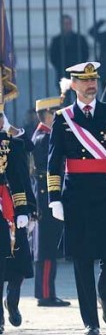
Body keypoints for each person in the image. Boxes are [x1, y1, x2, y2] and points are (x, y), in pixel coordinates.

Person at [47, 62, 106, 335]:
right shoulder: (63, 118)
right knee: (82, 260)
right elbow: (54, 162)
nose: (91, 85)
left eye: (94, 80)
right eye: (84, 81)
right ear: (73, 85)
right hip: (76, 197)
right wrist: (55, 198)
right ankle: (90, 322)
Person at [31, 96, 70, 308]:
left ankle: (47, 292)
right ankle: (45, 294)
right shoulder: (44, 138)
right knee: (45, 249)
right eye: (56, 113)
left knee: (47, 249)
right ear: (48, 114)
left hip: (46, 199)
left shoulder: (45, 136)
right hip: (45, 200)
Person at [0, 102, 32, 334]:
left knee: (16, 260)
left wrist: (22, 210)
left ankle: (12, 300)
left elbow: (18, 178)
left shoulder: (10, 144)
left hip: (7, 206)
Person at [48, 15, 89, 90]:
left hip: (77, 73)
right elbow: (52, 56)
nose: (67, 26)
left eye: (69, 23)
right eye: (65, 23)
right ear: (61, 25)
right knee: (65, 99)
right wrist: (59, 66)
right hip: (62, 72)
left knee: (79, 99)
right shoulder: (56, 40)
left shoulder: (80, 38)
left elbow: (85, 54)